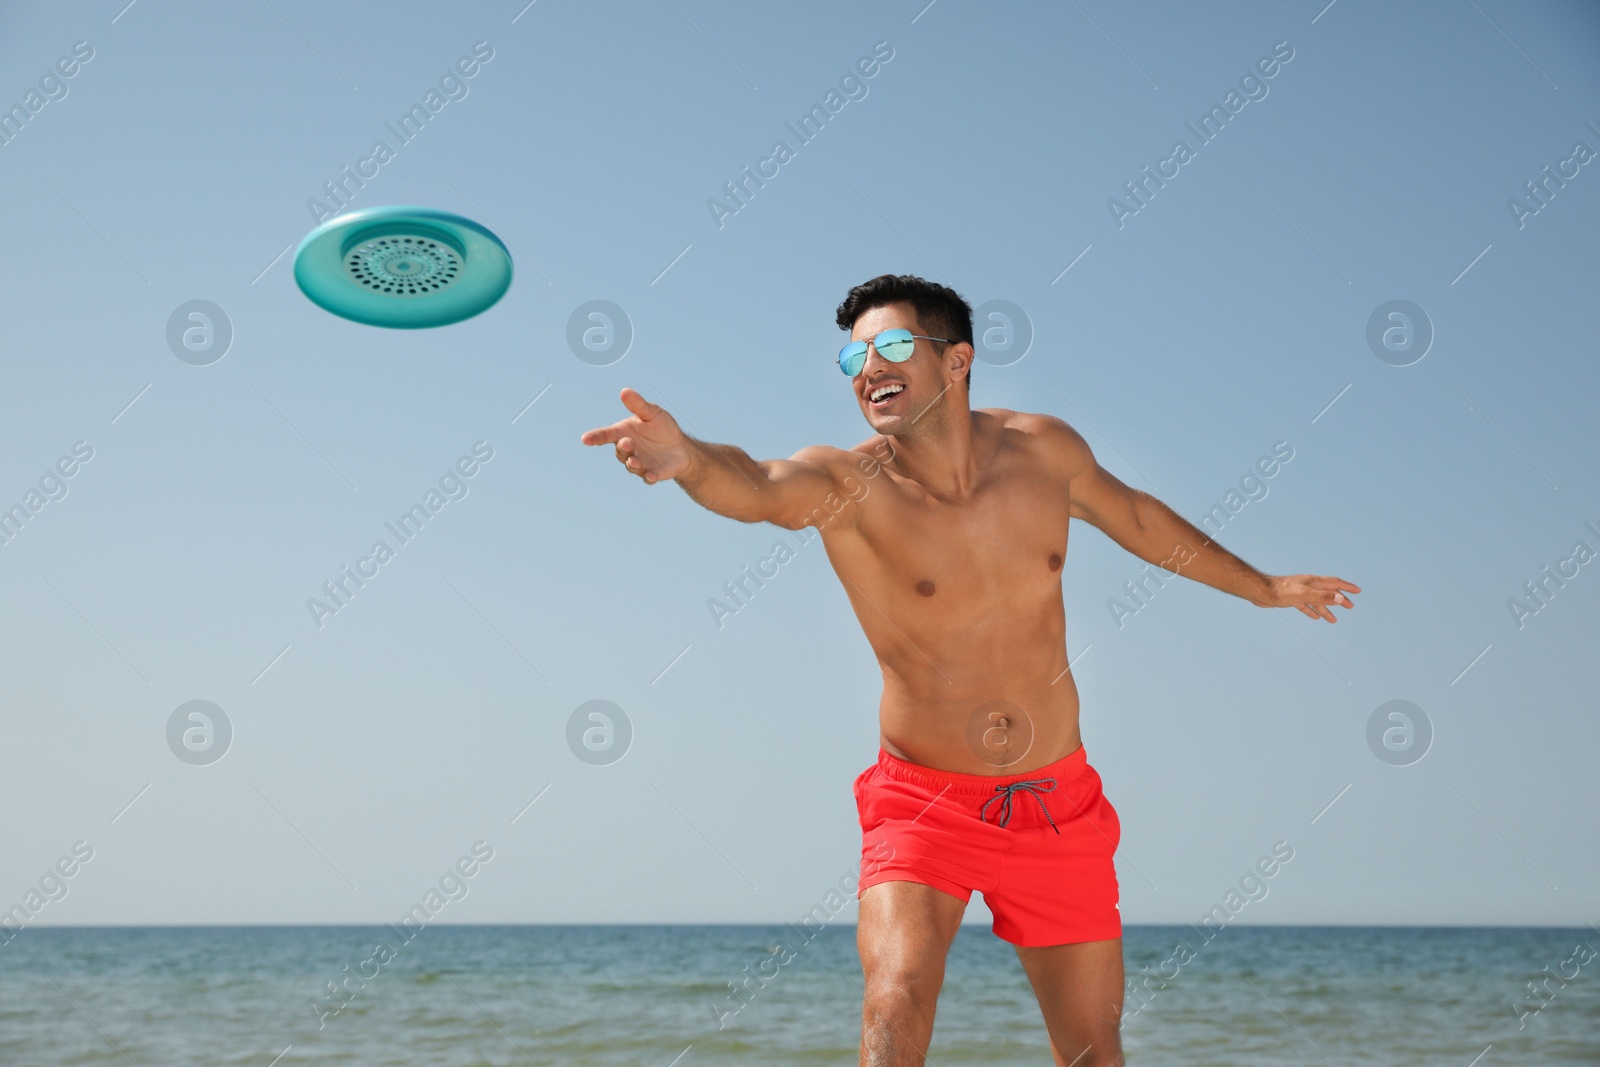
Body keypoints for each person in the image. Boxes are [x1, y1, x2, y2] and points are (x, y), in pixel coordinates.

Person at [579, 273, 1358, 1066]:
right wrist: (688, 458)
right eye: (853, 355)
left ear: (957, 362)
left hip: (1056, 803)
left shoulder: (1045, 451)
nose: (866, 366)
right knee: (895, 997)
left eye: (889, 346)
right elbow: (759, 484)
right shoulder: (849, 485)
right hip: (922, 805)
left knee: (1093, 1048)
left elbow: (1140, 519)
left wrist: (1262, 586)